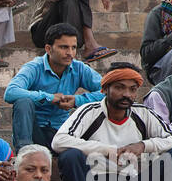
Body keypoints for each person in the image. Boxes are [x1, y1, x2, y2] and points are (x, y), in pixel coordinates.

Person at [51, 65, 172, 181]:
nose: (126, 94)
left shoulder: (143, 113)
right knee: (70, 156)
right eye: (119, 88)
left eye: (132, 89)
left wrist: (143, 146)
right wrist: (107, 150)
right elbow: (59, 141)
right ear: (104, 90)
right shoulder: (89, 111)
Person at [5, 24, 104, 154]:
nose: (70, 53)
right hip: (34, 131)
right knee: (23, 102)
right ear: (48, 49)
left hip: (61, 131)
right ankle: (24, 154)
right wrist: (49, 98)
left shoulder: (79, 68)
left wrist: (77, 100)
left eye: (73, 48)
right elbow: (11, 92)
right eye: (64, 47)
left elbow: (108, 91)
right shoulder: (34, 67)